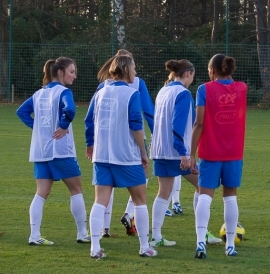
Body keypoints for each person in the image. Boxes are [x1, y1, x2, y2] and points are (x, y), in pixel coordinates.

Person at [85, 55, 157, 258]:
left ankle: (95, 248)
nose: (135, 71)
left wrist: (90, 144)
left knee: (100, 201)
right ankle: (144, 247)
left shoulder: (100, 92)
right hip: (126, 156)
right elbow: (136, 125)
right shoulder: (131, 94)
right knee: (140, 200)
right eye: (134, 67)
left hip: (102, 156)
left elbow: (88, 120)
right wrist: (143, 152)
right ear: (126, 70)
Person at [16, 57, 90, 245]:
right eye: (72, 72)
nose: (74, 76)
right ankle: (82, 234)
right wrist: (64, 125)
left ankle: (34, 235)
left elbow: (21, 112)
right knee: (76, 189)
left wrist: (38, 127)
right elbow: (70, 110)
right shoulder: (64, 92)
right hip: (61, 150)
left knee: (41, 193)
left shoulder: (39, 93)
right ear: (60, 72)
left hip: (41, 150)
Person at [150, 59, 221, 247]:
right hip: (176, 152)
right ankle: (202, 233)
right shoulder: (182, 93)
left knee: (163, 192)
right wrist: (184, 153)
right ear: (188, 73)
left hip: (159, 149)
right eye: (193, 76)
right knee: (203, 186)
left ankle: (156, 236)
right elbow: (178, 125)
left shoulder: (163, 90)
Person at [190, 54, 247, 258]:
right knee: (230, 197)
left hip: (210, 151)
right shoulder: (242, 88)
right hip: (234, 152)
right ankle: (230, 244)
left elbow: (199, 123)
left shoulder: (204, 89)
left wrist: (191, 153)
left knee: (205, 196)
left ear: (212, 70)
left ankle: (200, 243)